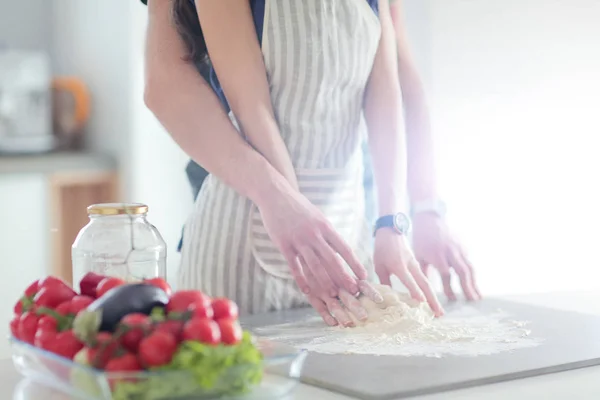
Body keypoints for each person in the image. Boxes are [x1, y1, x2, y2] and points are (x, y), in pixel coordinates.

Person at [143, 0, 449, 326]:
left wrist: (392, 220)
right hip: (244, 238)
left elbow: (387, 91)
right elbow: (251, 107)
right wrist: (289, 208)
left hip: (345, 234)